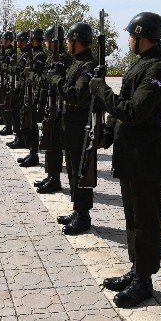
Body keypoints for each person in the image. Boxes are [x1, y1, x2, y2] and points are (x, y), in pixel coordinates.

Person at [90, 12, 161, 308]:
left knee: (146, 221)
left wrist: (101, 89)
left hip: (147, 156)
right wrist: (108, 134)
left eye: (131, 35)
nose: (128, 40)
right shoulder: (142, 64)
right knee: (133, 218)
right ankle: (136, 269)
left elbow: (133, 111)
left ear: (142, 36)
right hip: (132, 153)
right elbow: (125, 114)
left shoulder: (160, 69)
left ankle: (145, 280)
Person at [47, 23, 97, 235]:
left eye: (69, 40)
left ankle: (83, 215)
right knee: (73, 170)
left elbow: (75, 95)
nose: (66, 43)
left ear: (76, 40)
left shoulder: (89, 66)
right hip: (71, 125)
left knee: (81, 172)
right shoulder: (78, 63)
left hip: (81, 127)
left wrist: (56, 79)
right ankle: (77, 209)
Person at [35, 24, 73, 194]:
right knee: (49, 143)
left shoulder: (65, 59)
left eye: (48, 40)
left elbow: (60, 83)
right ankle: (50, 175)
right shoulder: (51, 58)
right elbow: (44, 80)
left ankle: (55, 178)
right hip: (49, 106)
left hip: (58, 108)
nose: (45, 43)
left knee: (55, 145)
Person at [17, 28, 47, 167]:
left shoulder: (40, 55)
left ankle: (34, 154)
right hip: (28, 92)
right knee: (27, 124)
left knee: (32, 125)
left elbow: (35, 74)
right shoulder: (32, 54)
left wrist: (28, 73)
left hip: (35, 95)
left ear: (34, 39)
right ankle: (31, 152)